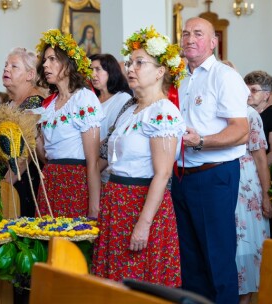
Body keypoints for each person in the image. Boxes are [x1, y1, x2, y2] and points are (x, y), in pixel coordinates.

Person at [92, 26, 186, 287]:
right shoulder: (130, 109)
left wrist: (144, 224)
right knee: (114, 281)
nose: (130, 69)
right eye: (129, 63)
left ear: (160, 72)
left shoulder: (163, 112)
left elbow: (164, 173)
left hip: (141, 204)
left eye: (139, 63)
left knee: (138, 282)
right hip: (116, 202)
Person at [171, 17, 250, 303]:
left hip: (214, 175)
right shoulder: (179, 77)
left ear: (214, 41)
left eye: (198, 34)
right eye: (186, 33)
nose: (190, 39)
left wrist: (202, 142)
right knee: (189, 261)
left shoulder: (223, 76)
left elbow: (241, 131)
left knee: (217, 258)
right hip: (182, 175)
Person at [32, 29, 103, 218]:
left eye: (53, 59)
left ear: (69, 63)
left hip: (74, 181)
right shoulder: (49, 104)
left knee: (70, 243)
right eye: (45, 60)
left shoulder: (83, 98)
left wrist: (94, 207)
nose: (46, 65)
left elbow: (93, 161)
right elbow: (45, 155)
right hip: (50, 178)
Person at [235, 105, 272, 304]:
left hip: (245, 181)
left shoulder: (250, 115)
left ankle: (245, 298)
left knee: (246, 238)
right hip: (219, 176)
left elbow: (261, 159)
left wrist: (267, 196)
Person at [244, 71, 272, 238]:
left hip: (266, 177)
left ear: (266, 94)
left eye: (254, 90)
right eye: (246, 88)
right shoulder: (243, 114)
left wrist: (253, 172)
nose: (248, 93)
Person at [2, 47, 46, 217]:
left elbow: (25, 154)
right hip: (8, 178)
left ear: (30, 75)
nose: (6, 69)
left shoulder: (35, 103)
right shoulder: (9, 104)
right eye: (6, 65)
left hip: (24, 183)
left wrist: (3, 187)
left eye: (14, 66)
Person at [89, 53, 132, 183]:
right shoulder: (91, 100)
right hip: (90, 164)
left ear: (111, 72)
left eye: (98, 69)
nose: (93, 75)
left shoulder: (122, 98)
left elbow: (114, 135)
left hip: (108, 169)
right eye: (91, 70)